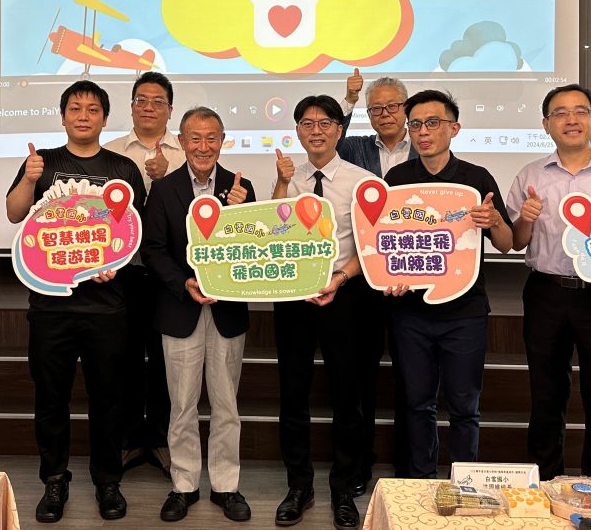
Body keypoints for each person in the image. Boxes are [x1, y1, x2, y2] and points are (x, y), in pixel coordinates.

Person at [5, 80, 147, 523]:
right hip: (51, 306)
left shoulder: (123, 168)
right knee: (51, 398)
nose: (83, 116)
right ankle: (54, 480)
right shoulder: (42, 162)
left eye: (92, 109)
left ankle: (108, 480)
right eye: (75, 108)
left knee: (109, 398)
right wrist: (29, 180)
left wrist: (115, 262)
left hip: (107, 305)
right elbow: (14, 213)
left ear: (105, 118)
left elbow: (134, 234)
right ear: (62, 115)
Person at [506, 83, 591, 481]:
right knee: (546, 392)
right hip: (546, 292)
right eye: (560, 113)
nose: (571, 119)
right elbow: (516, 242)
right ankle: (546, 478)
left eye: (580, 111)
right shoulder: (530, 175)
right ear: (546, 124)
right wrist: (526, 217)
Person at [381, 90, 513, 478]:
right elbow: (386, 243)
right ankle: (421, 482)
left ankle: (463, 482)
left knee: (464, 407)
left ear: (454, 129)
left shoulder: (476, 178)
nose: (423, 132)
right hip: (410, 313)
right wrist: (389, 277)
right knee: (416, 405)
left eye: (433, 123)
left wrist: (494, 221)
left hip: (465, 312)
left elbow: (506, 244)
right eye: (416, 124)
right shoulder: (398, 179)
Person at [141, 107, 255, 523]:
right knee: (182, 405)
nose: (203, 147)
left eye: (211, 138)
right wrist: (184, 283)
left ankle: (226, 486)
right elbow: (153, 250)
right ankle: (184, 485)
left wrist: (239, 213)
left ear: (222, 141)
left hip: (227, 312)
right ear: (182, 141)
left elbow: (252, 246)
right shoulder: (164, 189)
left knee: (226, 405)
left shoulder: (240, 188)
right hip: (180, 310)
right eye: (195, 138)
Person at [271, 95, 368, 530]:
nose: (316, 130)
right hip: (292, 297)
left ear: (339, 130)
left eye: (325, 122)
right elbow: (272, 234)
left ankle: (343, 488)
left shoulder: (362, 182)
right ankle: (299, 486)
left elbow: (369, 246)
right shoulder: (286, 177)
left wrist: (340, 279)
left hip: (342, 295)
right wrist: (280, 184)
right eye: (307, 123)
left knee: (347, 395)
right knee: (293, 394)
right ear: (297, 131)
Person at [103, 72, 185, 476]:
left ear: (170, 109)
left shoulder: (187, 153)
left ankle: (163, 440)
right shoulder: (110, 154)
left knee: (168, 359)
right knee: (127, 357)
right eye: (141, 100)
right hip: (126, 273)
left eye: (157, 101)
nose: (149, 107)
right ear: (132, 106)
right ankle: (131, 439)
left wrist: (164, 180)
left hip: (172, 276)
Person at [337, 74, 416, 484]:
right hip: (364, 279)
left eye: (392, 106)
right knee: (361, 378)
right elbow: (331, 137)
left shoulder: (424, 147)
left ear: (406, 109)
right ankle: (360, 464)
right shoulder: (355, 148)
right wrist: (349, 100)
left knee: (411, 379)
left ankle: (408, 467)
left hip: (413, 282)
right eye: (376, 109)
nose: (384, 114)